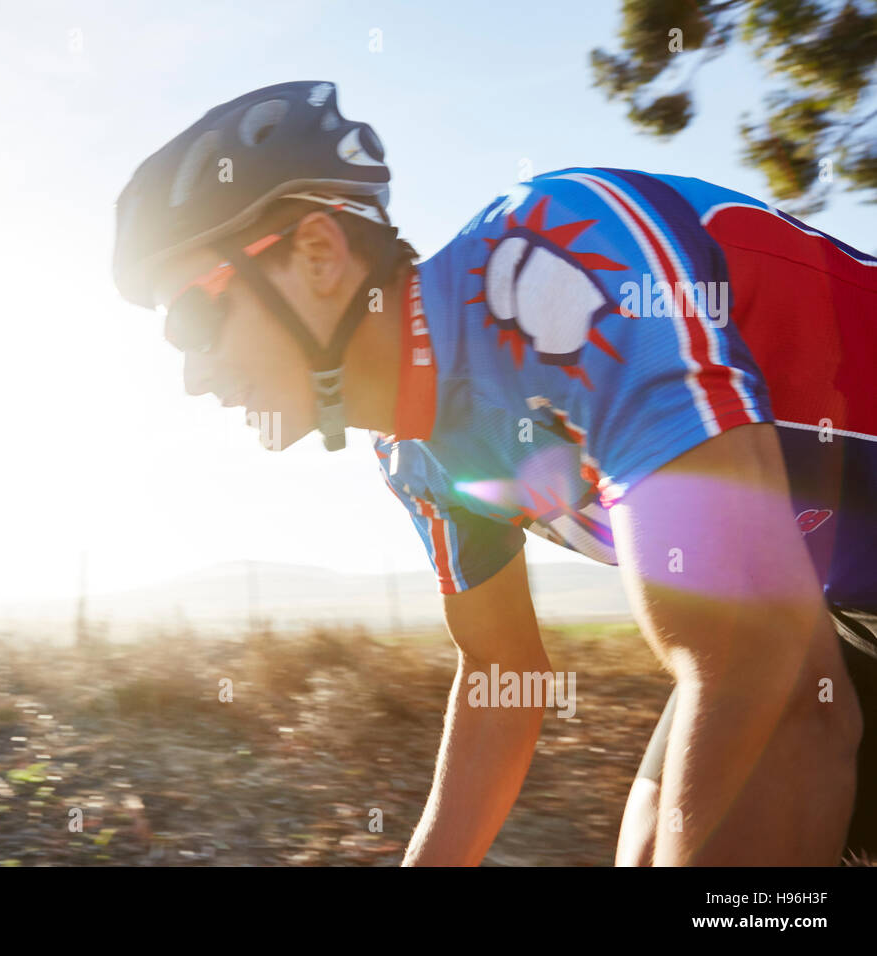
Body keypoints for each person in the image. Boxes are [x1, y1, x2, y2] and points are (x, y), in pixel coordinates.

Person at [111, 80, 877, 866]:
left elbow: (768, 675)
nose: (191, 376)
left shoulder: (563, 256)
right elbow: (500, 677)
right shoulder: (413, 451)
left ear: (317, 254)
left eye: (195, 319)